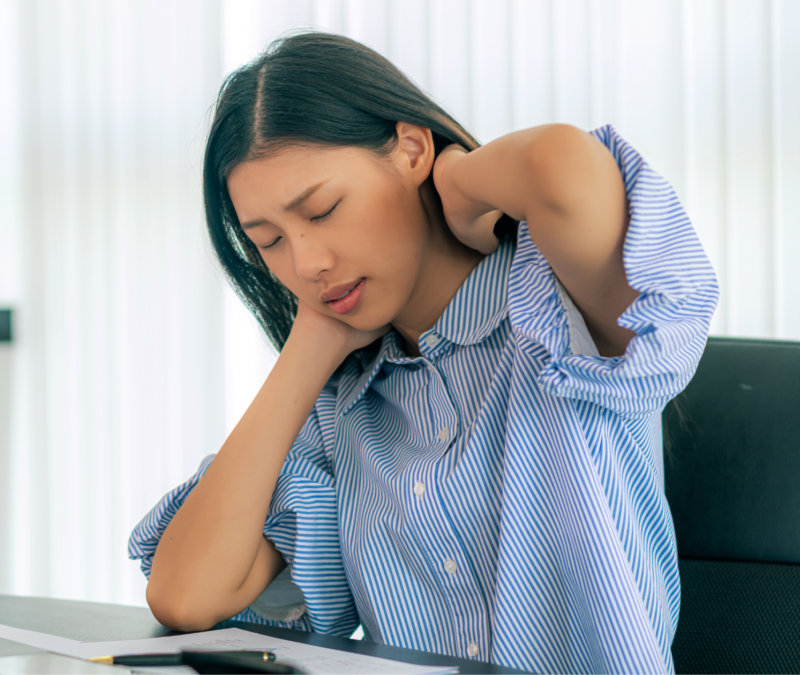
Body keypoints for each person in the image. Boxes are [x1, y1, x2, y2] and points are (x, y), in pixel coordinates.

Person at [128, 32, 717, 675]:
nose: (307, 263)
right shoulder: (347, 408)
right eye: (270, 241)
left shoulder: (557, 316)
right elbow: (185, 595)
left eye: (323, 210)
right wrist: (309, 346)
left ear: (410, 150)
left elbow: (560, 163)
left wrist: (460, 179)